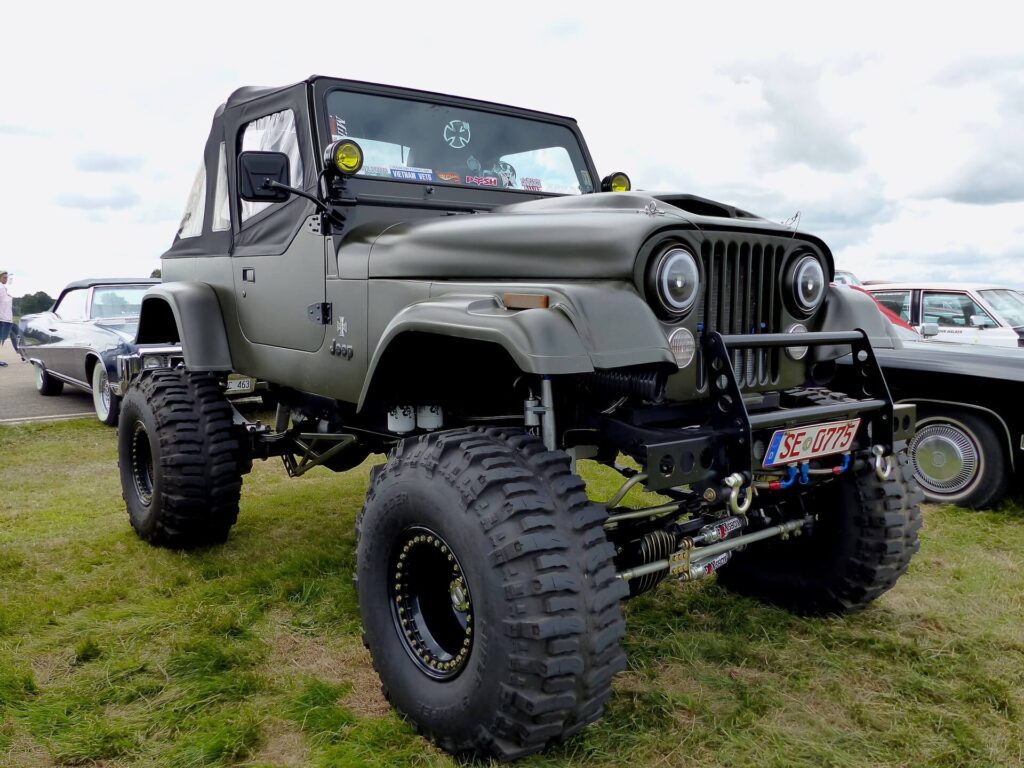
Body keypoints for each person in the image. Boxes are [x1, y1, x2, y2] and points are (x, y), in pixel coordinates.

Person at [0, 269, 12, 367]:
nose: (6, 279)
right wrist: (10, 297)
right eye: (4, 277)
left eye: (7, 277)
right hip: (2, 317)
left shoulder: (3, 287)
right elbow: (4, 302)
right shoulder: (1, 288)